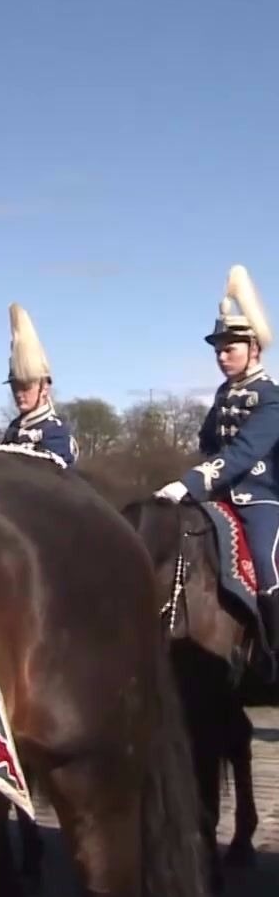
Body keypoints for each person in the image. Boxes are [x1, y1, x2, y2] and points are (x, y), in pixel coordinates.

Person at [155, 265, 279, 651]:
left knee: (265, 564)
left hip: (261, 499)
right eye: (218, 351)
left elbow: (244, 452)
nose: (222, 357)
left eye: (230, 349)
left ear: (253, 347)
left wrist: (190, 482)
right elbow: (209, 442)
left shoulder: (270, 397)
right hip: (220, 499)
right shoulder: (224, 394)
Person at [0, 303, 77, 465]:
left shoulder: (54, 431)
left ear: (45, 388)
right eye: (15, 387)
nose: (19, 394)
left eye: (26, 387)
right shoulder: (13, 429)